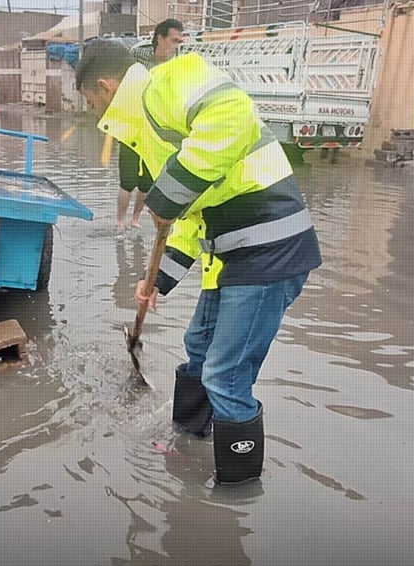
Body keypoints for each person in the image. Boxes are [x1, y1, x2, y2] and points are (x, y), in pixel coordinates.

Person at [77, 41, 322, 485]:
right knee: (199, 351)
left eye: (91, 102)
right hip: (232, 255)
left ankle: (236, 492)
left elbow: (231, 115)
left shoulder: (168, 82)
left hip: (269, 249)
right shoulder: (150, 134)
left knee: (226, 375)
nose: (95, 114)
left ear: (104, 86)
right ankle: (187, 437)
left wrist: (171, 191)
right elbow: (186, 219)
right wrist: (157, 282)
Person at [116, 142, 151, 230]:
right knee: (127, 185)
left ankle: (132, 220)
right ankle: (122, 221)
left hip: (148, 144)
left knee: (145, 186)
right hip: (132, 141)